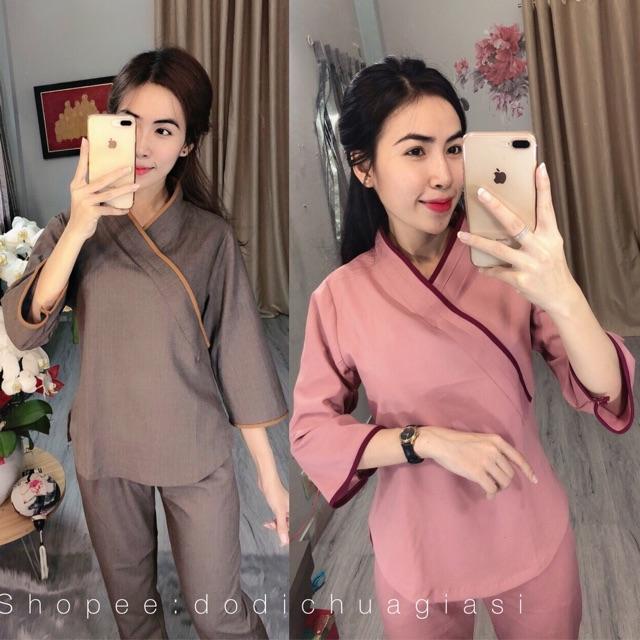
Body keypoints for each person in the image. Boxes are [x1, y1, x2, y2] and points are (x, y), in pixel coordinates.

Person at [290, 57, 635, 640]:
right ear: (364, 167)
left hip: (524, 524)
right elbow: (309, 432)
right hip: (417, 545)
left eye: (454, 148)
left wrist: (563, 292)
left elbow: (607, 389)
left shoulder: (509, 267)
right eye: (415, 151)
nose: (444, 175)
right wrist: (423, 441)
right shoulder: (340, 297)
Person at [3, 47, 288, 639]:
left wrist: (269, 474)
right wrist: (79, 228)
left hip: (193, 445)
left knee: (219, 613)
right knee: (133, 613)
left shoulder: (210, 237)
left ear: (187, 144)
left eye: (164, 129)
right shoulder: (75, 228)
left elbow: (238, 352)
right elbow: (25, 326)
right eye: (129, 123)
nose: (143, 144)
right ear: (107, 126)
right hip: (107, 444)